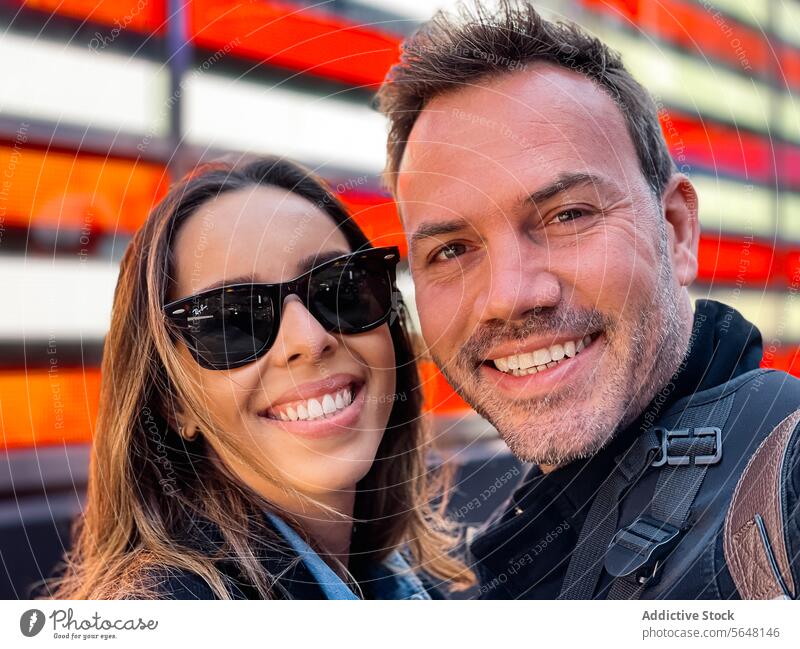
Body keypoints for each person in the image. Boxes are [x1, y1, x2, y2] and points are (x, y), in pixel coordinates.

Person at [377, 0, 800, 599]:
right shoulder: (518, 537)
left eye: (568, 214)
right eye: (451, 250)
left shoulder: (786, 475)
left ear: (676, 231)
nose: (508, 297)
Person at [47, 156, 473, 599]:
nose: (309, 339)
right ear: (172, 402)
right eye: (234, 319)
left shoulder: (398, 582)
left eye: (338, 288)